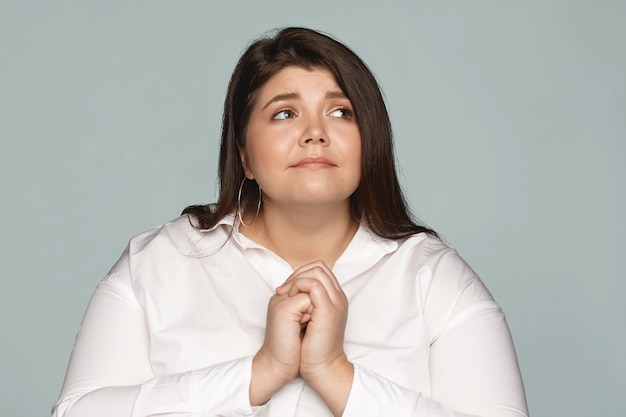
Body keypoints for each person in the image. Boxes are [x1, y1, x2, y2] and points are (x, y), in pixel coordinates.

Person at [52, 27, 528, 417]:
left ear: (370, 141)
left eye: (341, 112)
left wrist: (336, 373)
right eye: (285, 113)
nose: (315, 134)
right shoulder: (154, 265)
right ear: (244, 154)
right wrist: (258, 374)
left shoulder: (436, 280)